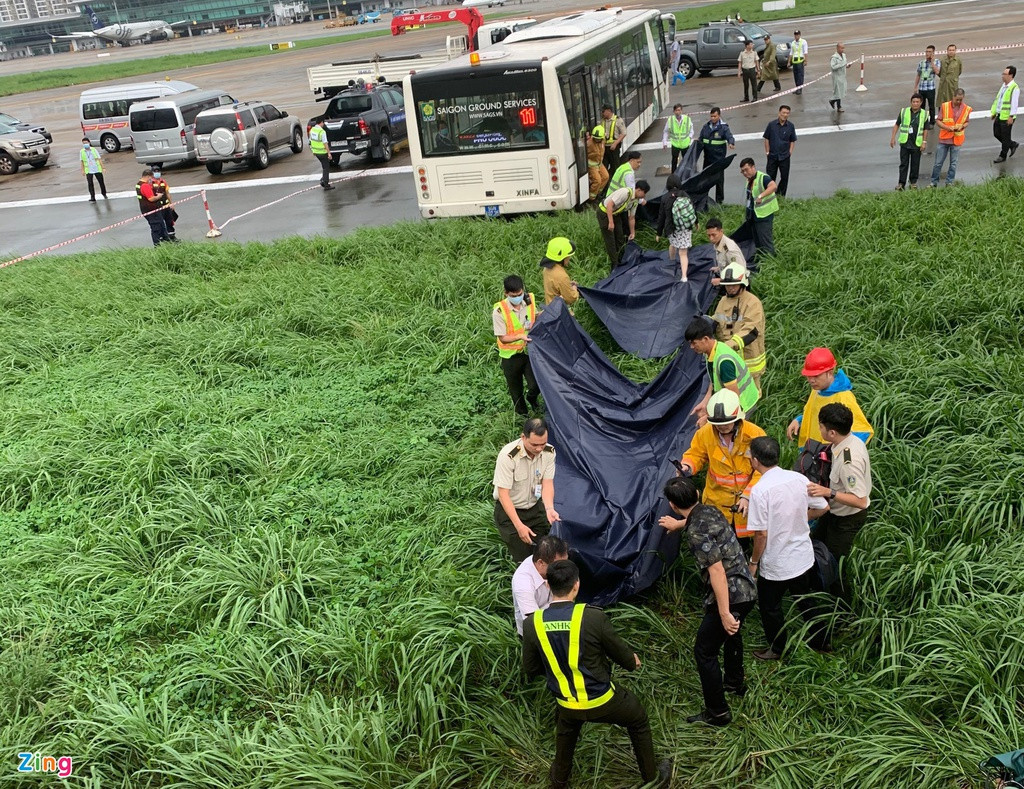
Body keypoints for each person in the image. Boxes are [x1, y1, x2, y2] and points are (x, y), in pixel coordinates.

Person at [522, 560, 673, 788]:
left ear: (548, 586)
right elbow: (622, 655)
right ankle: (652, 778)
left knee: (566, 729)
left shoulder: (533, 623)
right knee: (638, 719)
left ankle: (559, 780)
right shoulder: (592, 617)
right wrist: (633, 662)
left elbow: (531, 669)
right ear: (577, 585)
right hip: (603, 700)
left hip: (567, 703)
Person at [659, 476, 757, 726]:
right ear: (699, 493)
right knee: (732, 633)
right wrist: (679, 524)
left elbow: (716, 571)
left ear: (671, 504)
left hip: (730, 594)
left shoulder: (695, 533)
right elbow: (700, 522)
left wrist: (723, 612)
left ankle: (718, 712)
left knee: (705, 650)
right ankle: (734, 683)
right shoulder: (710, 510)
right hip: (747, 589)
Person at [746, 436, 831, 660]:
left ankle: (777, 648)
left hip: (777, 563)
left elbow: (761, 534)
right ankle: (821, 641)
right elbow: (823, 507)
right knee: (805, 600)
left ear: (755, 461)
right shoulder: (799, 479)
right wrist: (801, 518)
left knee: (770, 606)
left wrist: (753, 563)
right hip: (803, 556)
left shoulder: (760, 490)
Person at [676, 388, 765, 538]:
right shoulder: (705, 433)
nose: (722, 427)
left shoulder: (755, 435)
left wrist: (748, 495)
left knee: (740, 542)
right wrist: (688, 466)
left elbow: (763, 470)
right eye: (717, 424)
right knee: (717, 539)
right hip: (717, 501)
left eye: (727, 423)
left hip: (745, 503)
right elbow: (696, 454)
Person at [806, 403, 872, 585]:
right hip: (833, 512)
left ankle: (840, 607)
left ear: (832, 432)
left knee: (835, 565)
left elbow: (860, 500)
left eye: (821, 426)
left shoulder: (848, 462)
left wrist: (829, 492)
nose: (819, 429)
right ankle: (815, 584)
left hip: (847, 519)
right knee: (815, 544)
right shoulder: (848, 441)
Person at [493, 418, 559, 562]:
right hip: (510, 511)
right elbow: (503, 494)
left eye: (542, 444)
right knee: (524, 557)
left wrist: (549, 508)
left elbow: (547, 483)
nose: (539, 449)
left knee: (544, 551)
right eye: (534, 444)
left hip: (535, 508)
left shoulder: (549, 452)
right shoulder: (508, 456)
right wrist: (519, 526)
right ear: (523, 437)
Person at [786, 347, 873, 449]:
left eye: (816, 376)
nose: (811, 380)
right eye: (808, 376)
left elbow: (862, 431)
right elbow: (813, 413)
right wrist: (799, 420)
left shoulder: (843, 397)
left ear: (830, 373)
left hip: (828, 459)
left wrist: (839, 452)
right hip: (811, 453)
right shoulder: (816, 390)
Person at [686, 318, 760, 424]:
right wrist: (705, 402)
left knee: (732, 433)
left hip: (743, 403)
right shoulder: (712, 351)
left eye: (694, 343)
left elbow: (733, 397)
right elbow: (714, 381)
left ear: (705, 339)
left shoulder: (724, 361)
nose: (691, 347)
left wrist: (708, 418)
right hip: (734, 397)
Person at [712, 263, 765, 392]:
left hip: (749, 359)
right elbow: (717, 320)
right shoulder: (724, 301)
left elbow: (751, 331)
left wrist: (729, 345)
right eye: (727, 285)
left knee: (751, 393)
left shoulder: (753, 303)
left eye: (734, 285)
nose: (730, 288)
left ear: (743, 283)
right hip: (729, 358)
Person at [493, 276, 541, 418]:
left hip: (528, 352)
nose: (518, 298)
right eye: (514, 296)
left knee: (536, 384)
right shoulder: (499, 311)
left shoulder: (529, 300)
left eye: (520, 294)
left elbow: (535, 316)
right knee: (516, 391)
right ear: (506, 293)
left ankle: (532, 398)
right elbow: (502, 337)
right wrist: (520, 337)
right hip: (511, 357)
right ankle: (523, 416)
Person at [512, 535, 568, 636]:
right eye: (558, 566)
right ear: (541, 563)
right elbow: (534, 621)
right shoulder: (523, 582)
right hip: (537, 632)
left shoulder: (550, 563)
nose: (563, 570)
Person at [730, 158, 778, 269]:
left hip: (764, 216)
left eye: (746, 170)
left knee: (765, 241)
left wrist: (761, 196)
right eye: (743, 171)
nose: (745, 173)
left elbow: (773, 186)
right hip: (753, 216)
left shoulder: (763, 177)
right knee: (757, 241)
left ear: (753, 167)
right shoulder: (749, 180)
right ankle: (762, 261)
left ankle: (771, 265)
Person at [597, 180, 649, 268]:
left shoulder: (635, 201)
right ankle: (614, 264)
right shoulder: (625, 193)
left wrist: (632, 233)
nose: (644, 196)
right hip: (605, 212)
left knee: (620, 237)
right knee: (611, 240)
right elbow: (610, 205)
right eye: (644, 193)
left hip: (616, 214)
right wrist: (610, 222)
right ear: (639, 190)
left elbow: (631, 218)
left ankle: (621, 259)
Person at [654, 174, 696, 281]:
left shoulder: (665, 197)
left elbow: (661, 217)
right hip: (685, 228)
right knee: (683, 253)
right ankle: (684, 276)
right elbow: (692, 210)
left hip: (671, 228)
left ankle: (672, 262)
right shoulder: (685, 195)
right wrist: (696, 222)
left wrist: (658, 233)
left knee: (672, 244)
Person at [693, 108, 736, 205]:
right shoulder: (706, 127)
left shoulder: (723, 128)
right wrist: (697, 141)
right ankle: (703, 200)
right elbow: (701, 138)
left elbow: (729, 136)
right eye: (711, 116)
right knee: (704, 181)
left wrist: (731, 143)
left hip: (718, 160)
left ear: (719, 116)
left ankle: (719, 202)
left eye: (714, 116)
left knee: (719, 181)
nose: (712, 118)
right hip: (707, 159)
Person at [931, 88, 972, 187]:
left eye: (960, 100)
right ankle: (934, 182)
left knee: (953, 164)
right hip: (944, 139)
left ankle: (949, 182)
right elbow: (938, 120)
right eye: (957, 99)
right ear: (953, 97)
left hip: (956, 140)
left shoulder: (966, 109)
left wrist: (962, 126)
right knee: (938, 163)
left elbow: (966, 122)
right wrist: (948, 128)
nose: (958, 102)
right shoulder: (945, 106)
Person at [890, 93, 929, 190]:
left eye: (917, 102)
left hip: (917, 143)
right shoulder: (904, 112)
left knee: (915, 164)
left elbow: (925, 129)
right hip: (905, 143)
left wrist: (924, 142)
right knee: (903, 164)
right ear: (910, 102)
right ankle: (901, 183)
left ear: (921, 103)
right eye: (913, 102)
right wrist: (893, 137)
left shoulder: (924, 114)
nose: (915, 104)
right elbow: (897, 124)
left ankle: (913, 182)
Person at [762, 104, 797, 197]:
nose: (785, 115)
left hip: (785, 156)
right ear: (779, 113)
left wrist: (790, 152)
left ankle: (781, 195)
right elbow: (766, 138)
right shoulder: (771, 125)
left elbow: (792, 140)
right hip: (772, 156)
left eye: (787, 113)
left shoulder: (790, 126)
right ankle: (769, 196)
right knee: (770, 178)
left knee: (784, 178)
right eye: (783, 113)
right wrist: (767, 152)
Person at [540, 237, 579, 309]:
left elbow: (555, 284)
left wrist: (567, 284)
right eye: (568, 257)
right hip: (559, 312)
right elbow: (570, 298)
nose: (569, 258)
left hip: (549, 308)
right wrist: (574, 289)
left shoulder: (546, 268)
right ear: (562, 258)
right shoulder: (562, 276)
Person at [991, 65, 1019, 163]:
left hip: (1007, 116)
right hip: (1000, 115)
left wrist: (1011, 116)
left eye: (1005, 74)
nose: (1002, 76)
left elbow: (1014, 104)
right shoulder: (1004, 86)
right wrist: (994, 112)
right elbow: (999, 100)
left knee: (1005, 136)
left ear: (1011, 75)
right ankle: (1012, 144)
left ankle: (1002, 155)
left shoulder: (1014, 88)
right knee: (996, 133)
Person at [135, 169, 171, 247]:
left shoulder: (138, 184)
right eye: (151, 178)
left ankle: (166, 241)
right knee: (156, 227)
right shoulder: (145, 186)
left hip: (147, 209)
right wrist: (159, 196)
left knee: (161, 225)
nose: (151, 180)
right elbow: (151, 198)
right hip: (151, 210)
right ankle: (157, 245)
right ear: (148, 176)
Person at [913, 45, 940, 128]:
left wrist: (932, 62)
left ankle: (932, 122)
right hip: (922, 88)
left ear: (933, 53)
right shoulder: (921, 63)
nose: (927, 53)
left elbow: (937, 72)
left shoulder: (937, 62)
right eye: (926, 51)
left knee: (931, 106)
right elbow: (918, 75)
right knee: (922, 106)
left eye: (929, 52)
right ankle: (923, 121)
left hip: (930, 88)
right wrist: (915, 87)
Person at [662, 103, 693, 173]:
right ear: (674, 111)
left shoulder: (687, 119)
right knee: (674, 160)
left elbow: (691, 130)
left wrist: (690, 138)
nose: (677, 112)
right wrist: (664, 142)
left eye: (679, 110)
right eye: (676, 110)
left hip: (685, 144)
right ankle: (674, 175)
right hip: (675, 144)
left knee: (686, 160)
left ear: (681, 111)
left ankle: (687, 173)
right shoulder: (670, 120)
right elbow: (666, 131)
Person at [151, 167, 179, 242]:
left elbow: (167, 193)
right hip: (158, 206)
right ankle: (162, 238)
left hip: (166, 205)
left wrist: (171, 203)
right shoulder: (150, 183)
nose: (157, 173)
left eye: (158, 171)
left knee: (170, 221)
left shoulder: (163, 182)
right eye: (155, 171)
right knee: (160, 223)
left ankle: (172, 236)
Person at [585, 126, 609, 200]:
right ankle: (591, 198)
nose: (597, 140)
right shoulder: (589, 143)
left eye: (599, 139)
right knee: (597, 181)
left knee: (606, 177)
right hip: (592, 165)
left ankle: (598, 193)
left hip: (599, 163)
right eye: (595, 138)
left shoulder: (602, 140)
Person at [308, 118, 333, 190]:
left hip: (316, 152)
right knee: (326, 167)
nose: (324, 124)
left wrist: (313, 151)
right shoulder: (322, 132)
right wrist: (329, 153)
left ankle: (323, 180)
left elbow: (310, 141)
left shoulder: (312, 130)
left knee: (324, 166)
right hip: (322, 152)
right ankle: (325, 183)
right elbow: (325, 143)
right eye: (323, 123)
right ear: (321, 122)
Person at [80, 137, 107, 202]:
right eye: (83, 143)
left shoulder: (94, 150)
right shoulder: (82, 151)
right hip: (88, 170)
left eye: (86, 143)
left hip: (97, 168)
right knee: (90, 184)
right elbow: (82, 162)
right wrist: (82, 170)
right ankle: (92, 197)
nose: (85, 144)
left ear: (89, 143)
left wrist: (103, 168)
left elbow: (99, 159)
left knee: (101, 182)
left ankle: (104, 193)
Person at [600, 105, 626, 173]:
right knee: (604, 169)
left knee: (615, 167)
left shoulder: (618, 120)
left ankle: (616, 182)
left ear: (609, 111)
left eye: (603, 111)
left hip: (614, 148)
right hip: (605, 148)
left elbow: (623, 133)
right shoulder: (602, 121)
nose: (602, 113)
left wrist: (615, 143)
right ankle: (606, 183)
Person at [829, 43, 851, 112]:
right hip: (837, 77)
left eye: (843, 48)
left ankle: (833, 102)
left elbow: (844, 64)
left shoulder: (844, 55)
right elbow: (833, 67)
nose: (843, 50)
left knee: (842, 91)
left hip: (842, 76)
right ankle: (838, 105)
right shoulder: (834, 58)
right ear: (837, 48)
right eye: (841, 48)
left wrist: (847, 66)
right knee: (838, 92)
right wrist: (842, 64)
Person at [788, 30, 808, 95]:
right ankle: (797, 88)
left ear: (800, 35)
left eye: (797, 35)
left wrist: (806, 60)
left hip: (800, 61)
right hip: (794, 62)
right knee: (795, 76)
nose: (796, 36)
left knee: (800, 76)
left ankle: (800, 89)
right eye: (795, 35)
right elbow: (791, 53)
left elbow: (805, 52)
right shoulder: (793, 43)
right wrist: (789, 62)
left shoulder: (803, 42)